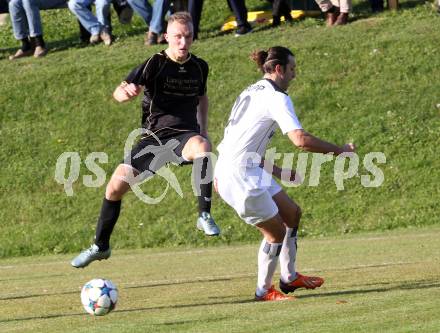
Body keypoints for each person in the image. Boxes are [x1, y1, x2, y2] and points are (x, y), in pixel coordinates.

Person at [71, 11, 220, 269]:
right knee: (114, 188)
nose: (183, 43)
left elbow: (202, 98)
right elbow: (120, 90)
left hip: (184, 137)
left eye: (188, 36)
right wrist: (125, 94)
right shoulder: (154, 63)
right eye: (177, 37)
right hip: (152, 140)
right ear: (166, 37)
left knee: (204, 147)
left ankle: (204, 215)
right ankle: (100, 246)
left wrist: (203, 130)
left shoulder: (200, 67)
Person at [214, 46, 356, 301]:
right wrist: (340, 151)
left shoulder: (252, 90)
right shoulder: (276, 97)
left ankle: (289, 278)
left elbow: (243, 143)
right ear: (279, 69)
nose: (295, 75)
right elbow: (300, 140)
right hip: (239, 176)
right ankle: (263, 291)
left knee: (291, 213)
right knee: (275, 232)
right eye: (292, 69)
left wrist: (278, 171)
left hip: (244, 167)